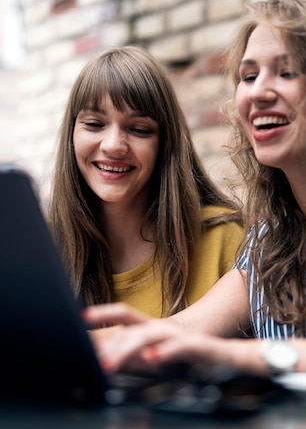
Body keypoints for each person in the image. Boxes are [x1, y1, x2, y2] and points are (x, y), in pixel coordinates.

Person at [83, 0, 306, 377]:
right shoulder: (270, 239)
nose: (258, 91)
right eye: (249, 75)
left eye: (286, 72)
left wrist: (257, 356)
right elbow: (181, 331)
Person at [48, 45, 243, 318]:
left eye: (138, 129)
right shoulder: (44, 252)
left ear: (165, 143)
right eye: (94, 124)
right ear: (72, 135)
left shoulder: (224, 237)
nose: (114, 145)